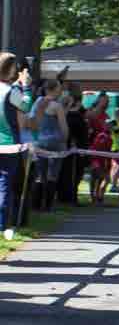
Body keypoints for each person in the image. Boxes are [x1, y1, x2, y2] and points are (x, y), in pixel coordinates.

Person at [0, 54, 47, 240]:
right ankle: (2, 226)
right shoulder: (11, 91)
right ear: (11, 70)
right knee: (4, 185)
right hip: (8, 144)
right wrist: (26, 86)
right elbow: (26, 106)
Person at [31, 80, 68, 212]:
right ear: (53, 90)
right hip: (54, 143)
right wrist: (65, 140)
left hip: (39, 141)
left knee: (40, 175)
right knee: (52, 175)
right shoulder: (56, 106)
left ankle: (35, 205)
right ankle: (47, 206)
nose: (61, 91)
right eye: (59, 88)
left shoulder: (37, 102)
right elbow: (64, 128)